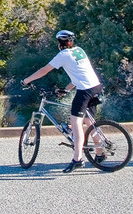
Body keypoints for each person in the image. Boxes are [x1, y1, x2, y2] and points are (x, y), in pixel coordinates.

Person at [22, 30, 104, 173]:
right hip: (95, 86)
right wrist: (67, 89)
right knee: (89, 122)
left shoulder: (63, 55)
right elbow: (79, 73)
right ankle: (100, 153)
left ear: (60, 43)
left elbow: (44, 70)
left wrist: (26, 80)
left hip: (85, 90)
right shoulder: (79, 50)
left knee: (75, 122)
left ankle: (77, 159)